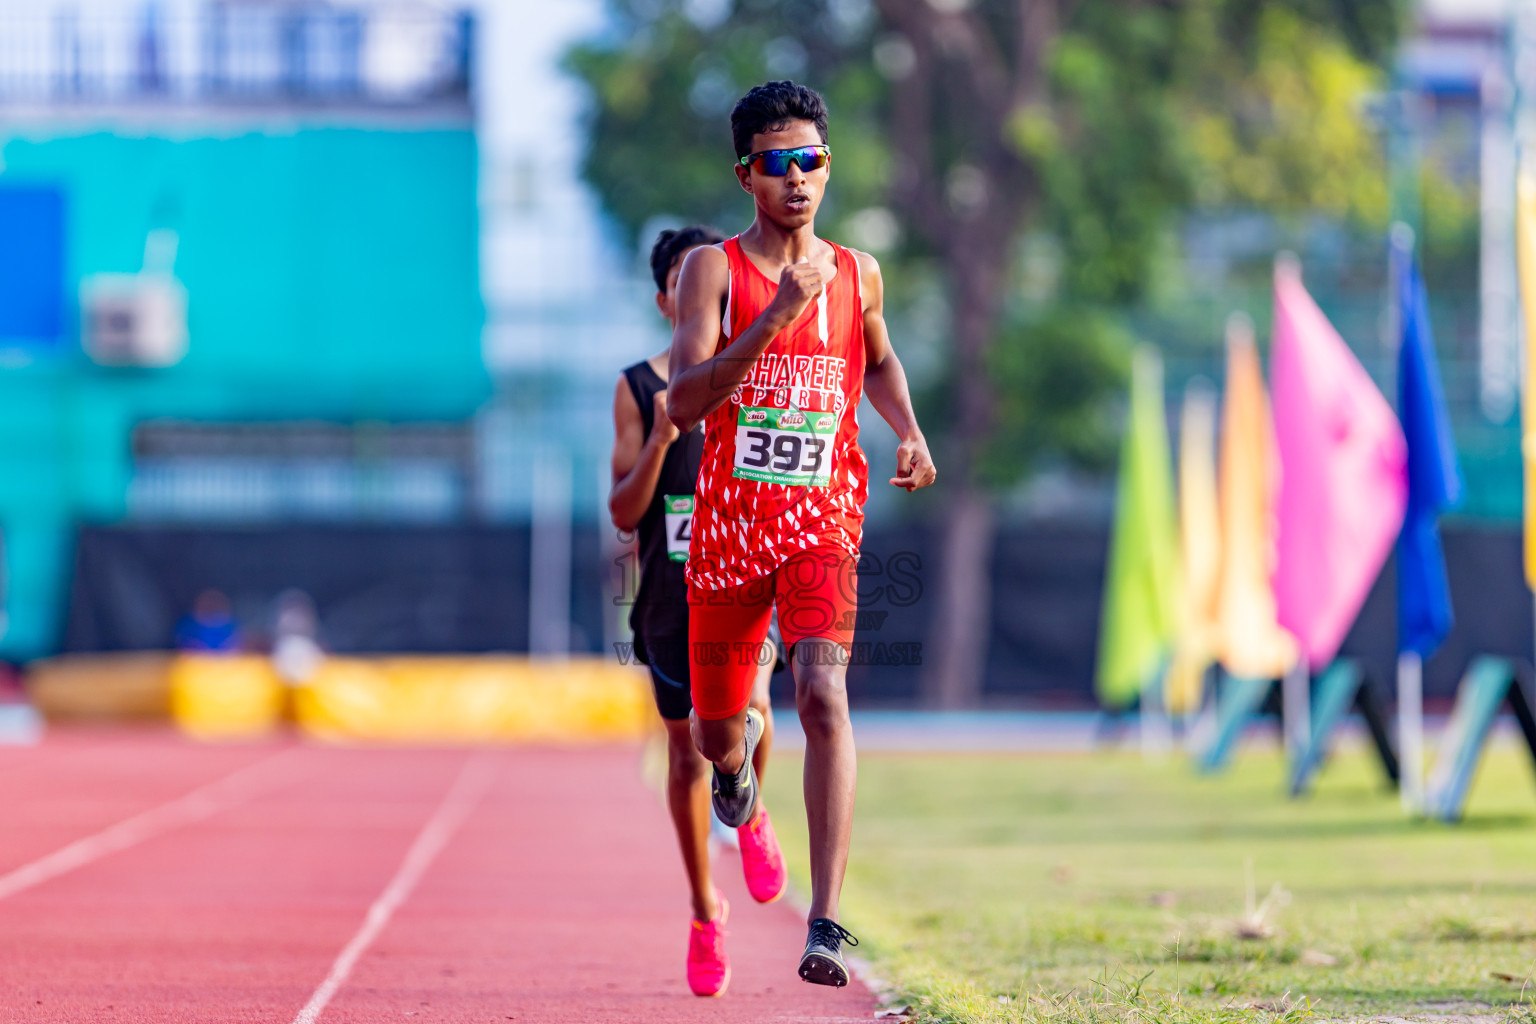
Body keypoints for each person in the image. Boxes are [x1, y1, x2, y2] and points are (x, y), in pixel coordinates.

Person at [667, 81, 937, 988]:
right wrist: (778, 314)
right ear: (746, 173)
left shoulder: (861, 271)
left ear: (828, 168)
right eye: (778, 163)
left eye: (811, 161)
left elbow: (883, 356)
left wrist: (907, 428)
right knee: (713, 737)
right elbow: (685, 399)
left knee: (824, 696)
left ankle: (824, 923)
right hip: (730, 530)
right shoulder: (713, 270)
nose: (797, 179)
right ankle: (739, 780)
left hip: (822, 520)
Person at [609, 225, 788, 999]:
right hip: (667, 603)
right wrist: (659, 441)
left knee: (752, 703)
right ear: (667, 299)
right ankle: (703, 910)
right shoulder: (640, 389)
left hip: (741, 580)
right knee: (684, 756)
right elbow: (623, 512)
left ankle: (748, 807)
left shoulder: (754, 373)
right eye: (691, 279)